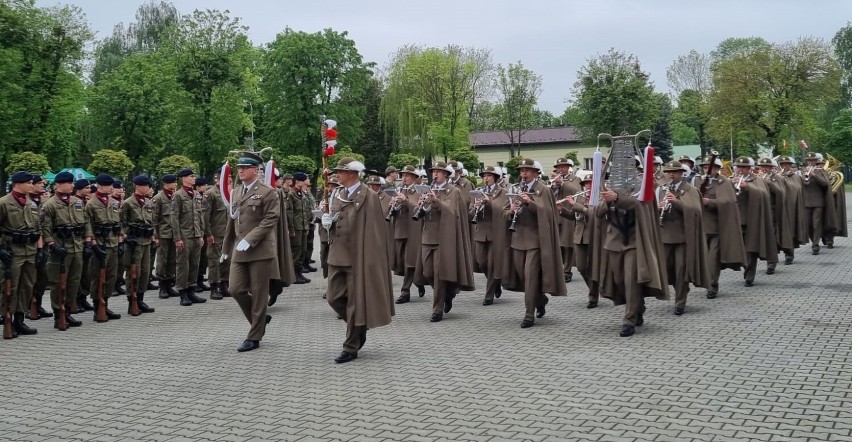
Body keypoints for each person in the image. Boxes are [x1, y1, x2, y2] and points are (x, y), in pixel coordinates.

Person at [322, 157, 395, 363]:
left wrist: (369, 258)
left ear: (352, 173)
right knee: (334, 298)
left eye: (341, 171)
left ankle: (351, 345)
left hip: (358, 256)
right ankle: (359, 326)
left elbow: (372, 230)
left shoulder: (368, 195)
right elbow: (337, 220)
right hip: (338, 254)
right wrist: (327, 222)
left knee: (355, 303)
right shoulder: (339, 193)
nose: (337, 175)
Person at [595, 162, 669, 337]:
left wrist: (617, 199)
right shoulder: (611, 187)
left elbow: (640, 206)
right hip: (614, 241)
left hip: (635, 241)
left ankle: (628, 320)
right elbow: (598, 212)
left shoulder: (644, 186)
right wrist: (607, 201)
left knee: (631, 280)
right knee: (620, 281)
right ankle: (639, 306)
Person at [221, 151, 283, 352]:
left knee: (258, 294)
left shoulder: (268, 192)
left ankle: (254, 336)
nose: (240, 170)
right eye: (239, 167)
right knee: (235, 289)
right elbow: (232, 220)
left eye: (245, 168)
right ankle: (260, 319)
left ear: (256, 170)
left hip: (260, 250)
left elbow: (270, 220)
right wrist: (226, 247)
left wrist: (250, 239)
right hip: (240, 249)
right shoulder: (236, 192)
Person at [502, 159, 566, 328]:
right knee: (524, 278)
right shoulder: (515, 188)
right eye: (522, 170)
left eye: (527, 170)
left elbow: (548, 213)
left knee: (530, 278)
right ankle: (540, 298)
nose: (523, 173)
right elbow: (503, 212)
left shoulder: (543, 189)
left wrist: (530, 203)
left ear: (536, 172)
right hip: (517, 240)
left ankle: (529, 315)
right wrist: (510, 211)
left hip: (535, 241)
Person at [414, 161, 475, 323]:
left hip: (443, 238)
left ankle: (437, 308)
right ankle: (448, 293)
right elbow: (419, 213)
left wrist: (436, 201)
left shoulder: (452, 191)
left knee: (439, 274)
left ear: (446, 174)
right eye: (433, 172)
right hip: (428, 236)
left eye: (438, 172)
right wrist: (420, 206)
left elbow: (452, 211)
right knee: (427, 273)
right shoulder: (429, 189)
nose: (435, 174)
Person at [658, 161, 710, 315]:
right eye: (669, 172)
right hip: (665, 235)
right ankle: (681, 288)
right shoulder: (661, 189)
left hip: (682, 236)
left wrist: (677, 202)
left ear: (682, 173)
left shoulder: (690, 190)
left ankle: (680, 301)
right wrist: (658, 207)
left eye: (675, 172)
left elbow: (695, 210)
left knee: (681, 269)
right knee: (667, 269)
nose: (671, 174)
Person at [693, 156, 746, 298]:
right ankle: (704, 281)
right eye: (704, 167)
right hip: (701, 226)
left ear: (717, 169)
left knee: (713, 258)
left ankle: (712, 285)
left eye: (709, 167)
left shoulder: (724, 182)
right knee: (703, 257)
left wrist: (709, 202)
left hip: (717, 227)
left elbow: (729, 202)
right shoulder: (698, 181)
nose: (707, 169)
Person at [40, 171, 87, 329]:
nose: (73, 185)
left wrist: (87, 242)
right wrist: (52, 244)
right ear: (59, 185)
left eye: (73, 183)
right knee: (58, 283)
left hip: (77, 247)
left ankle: (67, 312)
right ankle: (57, 314)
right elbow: (45, 227)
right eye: (70, 183)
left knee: (74, 281)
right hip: (60, 248)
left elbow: (85, 223)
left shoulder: (76, 202)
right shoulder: (50, 205)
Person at [0, 171, 42, 337]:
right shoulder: (4, 203)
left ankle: (20, 319)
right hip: (12, 250)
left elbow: (37, 227)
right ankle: (7, 318)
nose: (32, 185)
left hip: (29, 249)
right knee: (10, 286)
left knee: (27, 285)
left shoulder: (31, 203)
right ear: (18, 184)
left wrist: (39, 249)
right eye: (29, 183)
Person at [732, 157, 778, 286]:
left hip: (751, 219)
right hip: (735, 219)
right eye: (738, 167)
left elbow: (763, 194)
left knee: (750, 249)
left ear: (749, 169)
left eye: (743, 167)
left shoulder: (757, 180)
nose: (740, 170)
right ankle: (741, 266)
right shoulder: (731, 179)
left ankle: (749, 275)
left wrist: (747, 187)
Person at [558, 172, 600, 308]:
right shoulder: (581, 198)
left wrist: (575, 205)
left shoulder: (599, 198)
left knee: (595, 267)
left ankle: (593, 295)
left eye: (590, 184)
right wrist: (562, 210)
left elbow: (593, 214)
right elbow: (574, 216)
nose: (587, 186)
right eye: (585, 184)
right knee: (581, 267)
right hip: (579, 236)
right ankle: (594, 289)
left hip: (594, 236)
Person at [469, 166, 509, 306]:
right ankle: (496, 282)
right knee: (481, 262)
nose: (485, 178)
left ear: (495, 178)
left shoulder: (502, 192)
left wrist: (489, 203)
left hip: (495, 232)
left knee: (492, 264)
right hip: (480, 231)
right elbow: (469, 213)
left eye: (489, 176)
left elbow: (503, 210)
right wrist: (476, 207)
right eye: (484, 176)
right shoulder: (478, 192)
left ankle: (489, 294)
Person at [86, 173, 123, 322]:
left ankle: (105, 304)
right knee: (97, 278)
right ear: (100, 186)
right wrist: (93, 245)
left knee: (111, 277)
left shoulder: (113, 202)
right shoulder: (91, 204)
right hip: (100, 246)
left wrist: (120, 241)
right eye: (109, 186)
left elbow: (118, 223)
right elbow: (88, 226)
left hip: (113, 243)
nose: (112, 188)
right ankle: (97, 307)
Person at [119, 175, 157, 315]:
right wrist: (125, 236)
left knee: (146, 272)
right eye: (146, 186)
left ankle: (140, 299)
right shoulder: (128, 203)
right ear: (138, 186)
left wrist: (153, 237)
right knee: (134, 273)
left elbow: (152, 221)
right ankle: (132, 301)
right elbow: (121, 222)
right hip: (134, 242)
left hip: (146, 241)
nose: (148, 188)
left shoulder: (148, 202)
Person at [391, 166, 426, 304]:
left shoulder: (418, 190)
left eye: (407, 175)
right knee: (399, 260)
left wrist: (405, 201)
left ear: (414, 177)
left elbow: (418, 206)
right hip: (400, 228)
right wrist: (392, 204)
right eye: (403, 175)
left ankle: (405, 291)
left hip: (412, 229)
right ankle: (418, 281)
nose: (404, 177)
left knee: (408, 261)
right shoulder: (399, 189)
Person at [173, 168, 206, 306]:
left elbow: (199, 216)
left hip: (195, 234)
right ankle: (183, 292)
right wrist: (177, 238)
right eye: (191, 176)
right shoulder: (178, 195)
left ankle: (192, 290)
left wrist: (201, 234)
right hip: (184, 234)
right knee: (183, 265)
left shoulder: (196, 194)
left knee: (194, 263)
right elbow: (174, 218)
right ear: (183, 178)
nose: (194, 179)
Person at [757, 158, 792, 274]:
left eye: (767, 166)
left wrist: (769, 183)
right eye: (762, 166)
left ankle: (773, 262)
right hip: (760, 212)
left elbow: (781, 193)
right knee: (768, 238)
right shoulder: (756, 178)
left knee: (775, 236)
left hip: (774, 211)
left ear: (772, 168)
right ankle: (771, 260)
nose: (764, 169)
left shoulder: (778, 178)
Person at [552, 158, 581, 283]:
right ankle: (559, 269)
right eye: (558, 167)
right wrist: (554, 186)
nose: (560, 169)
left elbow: (576, 191)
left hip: (568, 213)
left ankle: (567, 271)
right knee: (558, 244)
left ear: (568, 167)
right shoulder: (554, 180)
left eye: (563, 167)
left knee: (568, 244)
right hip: (556, 214)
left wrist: (563, 184)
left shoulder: (575, 179)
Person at [801, 152, 836, 255]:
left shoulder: (821, 171)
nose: (810, 162)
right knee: (808, 225)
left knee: (816, 224)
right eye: (809, 160)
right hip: (806, 202)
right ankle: (814, 241)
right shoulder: (803, 171)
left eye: (812, 160)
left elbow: (825, 184)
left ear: (816, 161)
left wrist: (814, 175)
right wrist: (802, 178)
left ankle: (815, 245)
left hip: (818, 202)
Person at [27, 174, 52, 320]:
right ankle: (27, 307)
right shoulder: (25, 202)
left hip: (43, 245)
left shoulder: (44, 202)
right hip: (28, 246)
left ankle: (38, 304)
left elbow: (46, 225)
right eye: (39, 183)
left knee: (43, 277)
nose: (43, 186)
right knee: (29, 279)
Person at [153, 175, 180, 299]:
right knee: (162, 260)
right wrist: (156, 235)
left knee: (172, 260)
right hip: (163, 234)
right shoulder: (158, 198)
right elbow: (154, 218)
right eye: (172, 183)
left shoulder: (175, 196)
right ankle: (162, 286)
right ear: (166, 184)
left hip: (174, 233)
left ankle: (169, 284)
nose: (175, 184)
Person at [777, 157, 809, 264]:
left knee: (789, 230)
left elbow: (796, 189)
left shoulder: (795, 177)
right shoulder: (777, 176)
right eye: (783, 164)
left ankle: (789, 254)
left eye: (787, 164)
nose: (785, 166)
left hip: (790, 207)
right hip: (777, 207)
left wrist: (784, 182)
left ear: (791, 165)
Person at [205, 172, 230, 299]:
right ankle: (214, 287)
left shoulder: (229, 192)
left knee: (227, 260)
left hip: (228, 233)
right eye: (227, 177)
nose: (229, 180)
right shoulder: (211, 194)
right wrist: (208, 234)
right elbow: (206, 216)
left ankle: (225, 284)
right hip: (216, 233)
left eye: (230, 178)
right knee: (214, 260)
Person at [366, 175, 394, 268]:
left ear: (379, 186)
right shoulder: (365, 197)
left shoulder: (387, 198)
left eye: (374, 185)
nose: (371, 187)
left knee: (383, 257)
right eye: (369, 185)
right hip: (369, 231)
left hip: (382, 232)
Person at [290, 172, 312, 283]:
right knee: (296, 251)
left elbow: (304, 211)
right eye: (303, 181)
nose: (305, 183)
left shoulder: (300, 193)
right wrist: (291, 228)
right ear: (298, 181)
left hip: (303, 226)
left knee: (303, 250)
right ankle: (294, 275)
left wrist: (306, 226)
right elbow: (290, 213)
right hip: (296, 227)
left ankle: (299, 273)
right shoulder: (291, 194)